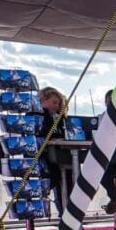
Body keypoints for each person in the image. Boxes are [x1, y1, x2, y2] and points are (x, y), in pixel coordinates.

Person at [37, 86, 71, 215]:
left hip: (61, 157)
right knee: (59, 178)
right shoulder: (40, 117)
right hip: (46, 160)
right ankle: (64, 215)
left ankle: (68, 215)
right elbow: (45, 134)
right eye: (54, 103)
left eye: (58, 103)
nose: (56, 106)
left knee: (70, 179)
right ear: (43, 101)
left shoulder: (60, 119)